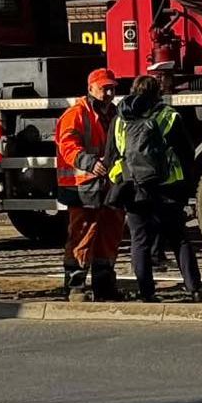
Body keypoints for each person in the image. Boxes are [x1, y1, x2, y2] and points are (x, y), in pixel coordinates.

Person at [107, 75, 202, 303]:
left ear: (132, 90)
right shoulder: (169, 116)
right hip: (167, 187)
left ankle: (147, 293)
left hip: (134, 188)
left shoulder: (119, 120)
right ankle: (194, 289)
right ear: (157, 93)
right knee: (179, 238)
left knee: (140, 241)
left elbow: (110, 155)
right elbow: (187, 152)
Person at [55, 67, 123, 301]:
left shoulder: (114, 114)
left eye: (112, 88)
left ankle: (104, 285)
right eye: (105, 88)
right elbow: (68, 146)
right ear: (91, 88)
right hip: (83, 184)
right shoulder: (76, 114)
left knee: (109, 234)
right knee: (83, 234)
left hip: (107, 184)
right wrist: (90, 162)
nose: (109, 92)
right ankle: (75, 286)